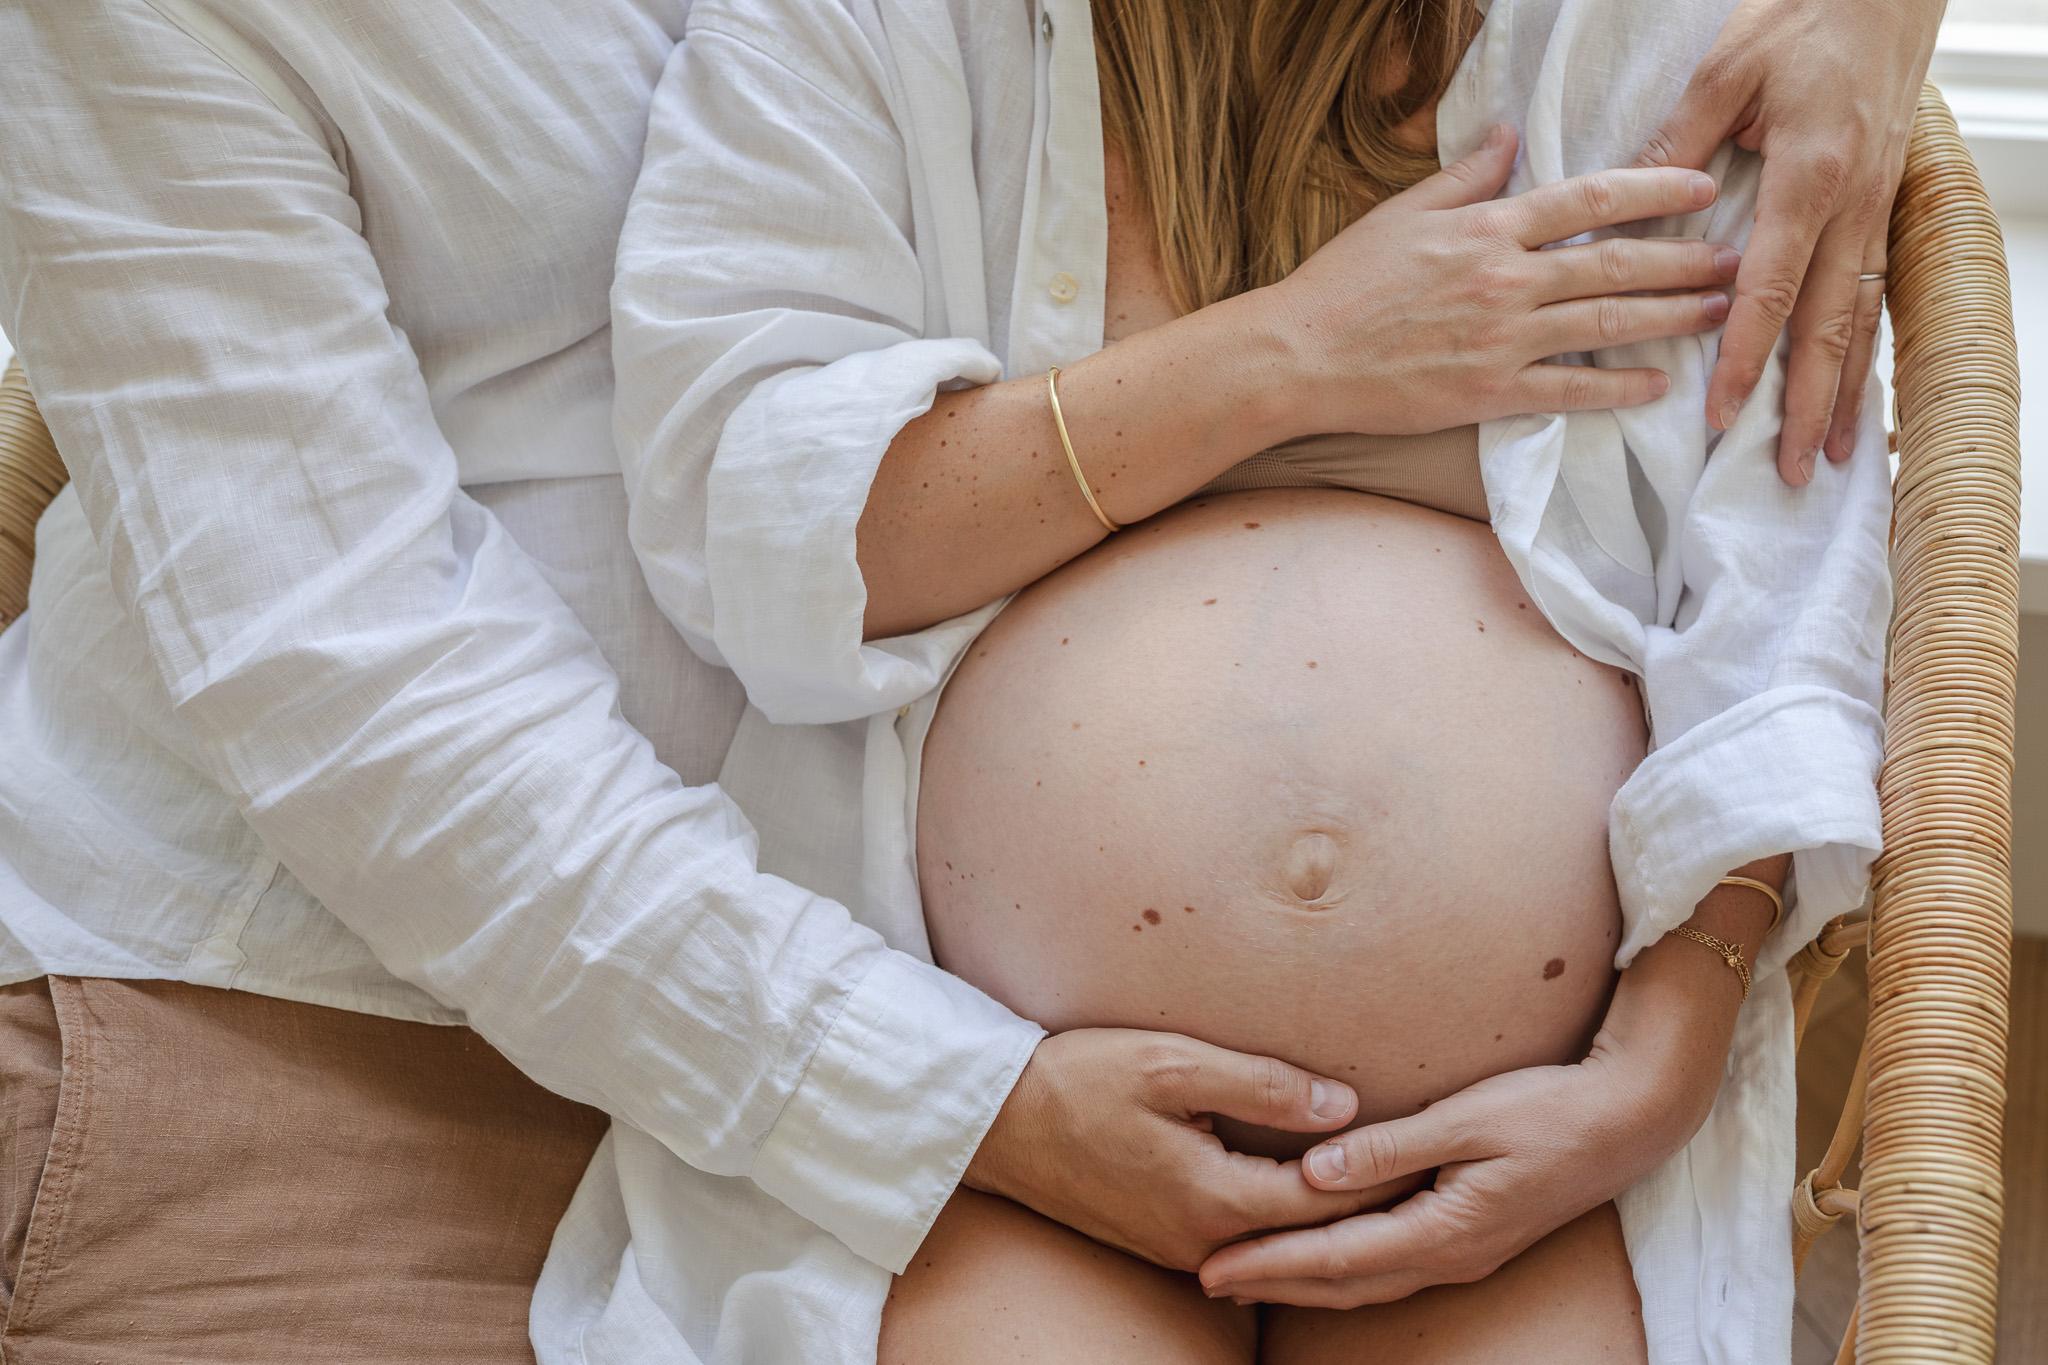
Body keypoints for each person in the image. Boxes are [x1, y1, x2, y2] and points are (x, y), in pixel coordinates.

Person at [0, 1, 1943, 1363]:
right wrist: (956, 1099)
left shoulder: (1606, 59)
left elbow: (1773, 567)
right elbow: (368, 693)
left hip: (1387, 1112)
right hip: (302, 996)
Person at [598, 0, 1907, 1360]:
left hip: (1533, 1133)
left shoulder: (1671, 45)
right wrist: (1290, 354)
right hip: (1009, 1113)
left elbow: (1781, 580)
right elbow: (748, 531)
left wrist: (1655, 1068)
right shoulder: (852, 27)